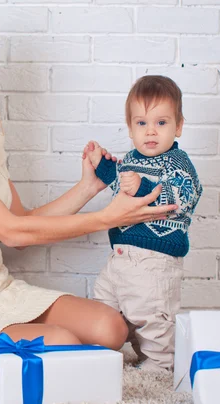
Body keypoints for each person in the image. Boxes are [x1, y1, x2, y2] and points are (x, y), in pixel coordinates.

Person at [0, 10, 177, 376]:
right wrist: (108, 218)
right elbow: (12, 232)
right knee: (62, 344)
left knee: (112, 327)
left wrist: (87, 187)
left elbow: (20, 223)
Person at [85, 75, 203, 372]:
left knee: (151, 316)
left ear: (178, 126)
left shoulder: (177, 162)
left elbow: (182, 197)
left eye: (161, 123)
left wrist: (141, 186)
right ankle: (100, 353)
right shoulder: (131, 159)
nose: (151, 131)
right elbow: (117, 182)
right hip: (119, 259)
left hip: (154, 260)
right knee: (102, 304)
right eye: (141, 123)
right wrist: (102, 164)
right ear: (130, 128)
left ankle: (159, 366)